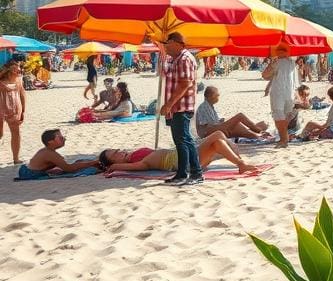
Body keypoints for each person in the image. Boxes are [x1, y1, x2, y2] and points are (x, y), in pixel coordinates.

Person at [98, 130, 259, 175]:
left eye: (117, 150)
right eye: (115, 154)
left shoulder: (136, 156)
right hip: (185, 162)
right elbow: (117, 167)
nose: (119, 151)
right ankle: (240, 162)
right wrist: (113, 167)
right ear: (115, 162)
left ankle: (239, 162)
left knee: (217, 142)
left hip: (187, 156)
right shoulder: (139, 163)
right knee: (217, 135)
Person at [161, 32, 202, 186]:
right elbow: (165, 72)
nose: (166, 45)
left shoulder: (184, 59)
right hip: (176, 107)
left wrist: (169, 104)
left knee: (184, 139)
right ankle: (182, 173)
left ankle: (196, 172)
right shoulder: (175, 59)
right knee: (180, 140)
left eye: (168, 42)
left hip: (181, 106)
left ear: (178, 43)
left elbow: (184, 84)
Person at [18, 129, 100, 180]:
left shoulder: (47, 151)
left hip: (27, 170)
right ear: (50, 141)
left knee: (80, 163)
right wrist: (91, 163)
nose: (64, 139)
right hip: (30, 174)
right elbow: (69, 168)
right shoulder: (49, 153)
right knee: (84, 166)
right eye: (60, 138)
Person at [195, 85, 269, 140]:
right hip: (207, 132)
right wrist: (226, 125)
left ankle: (256, 134)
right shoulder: (204, 107)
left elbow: (214, 122)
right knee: (239, 116)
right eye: (217, 95)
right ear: (210, 96)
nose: (218, 97)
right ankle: (259, 132)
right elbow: (208, 126)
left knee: (238, 125)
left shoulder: (209, 106)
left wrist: (225, 122)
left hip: (214, 128)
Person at [262, 43, 299, 148]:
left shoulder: (277, 62)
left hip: (278, 92)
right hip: (289, 92)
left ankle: (283, 139)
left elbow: (265, 75)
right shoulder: (292, 63)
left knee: (278, 116)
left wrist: (271, 64)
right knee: (285, 115)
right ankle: (284, 137)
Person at [0, 60, 27, 164]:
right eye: (16, 70)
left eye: (19, 70)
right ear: (9, 71)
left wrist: (23, 110)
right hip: (1, 108)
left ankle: (16, 158)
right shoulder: (1, 81)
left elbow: (22, 95)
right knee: (0, 134)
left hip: (15, 109)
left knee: (16, 133)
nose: (19, 72)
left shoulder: (19, 80)